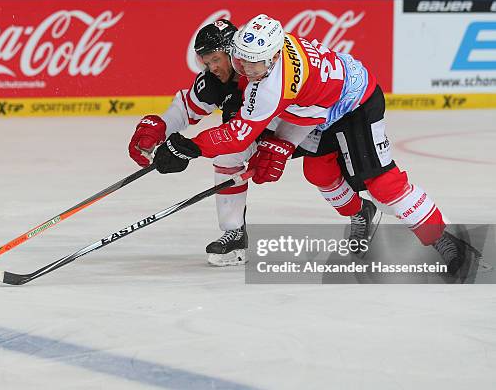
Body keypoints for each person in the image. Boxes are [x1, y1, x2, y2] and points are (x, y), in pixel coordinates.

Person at [153, 14, 468, 274]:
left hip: (354, 104)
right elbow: (301, 110)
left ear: (275, 58)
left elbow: (239, 133)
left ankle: (444, 236)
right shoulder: (252, 55)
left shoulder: (275, 82)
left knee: (382, 183)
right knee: (319, 172)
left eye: (257, 65)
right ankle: (362, 212)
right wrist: (282, 144)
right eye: (243, 61)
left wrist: (187, 147)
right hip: (315, 109)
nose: (248, 71)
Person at [128, 19, 278, 266]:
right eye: (206, 62)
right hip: (251, 133)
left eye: (215, 59)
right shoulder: (213, 81)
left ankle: (360, 210)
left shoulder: (261, 72)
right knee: (229, 155)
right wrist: (160, 127)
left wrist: (280, 142)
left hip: (300, 127)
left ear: (232, 51)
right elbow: (187, 108)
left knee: (330, 172)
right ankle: (235, 233)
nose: (212, 67)